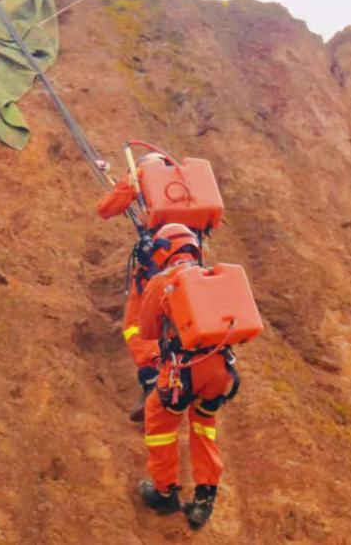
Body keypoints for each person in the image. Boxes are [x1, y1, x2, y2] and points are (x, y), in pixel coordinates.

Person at [134, 224, 239, 530]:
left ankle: (165, 492)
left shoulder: (162, 281)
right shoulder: (211, 276)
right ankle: (204, 500)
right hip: (219, 372)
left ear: (163, 250)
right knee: (204, 425)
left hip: (183, 372)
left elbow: (147, 332)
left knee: (160, 422)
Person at [96, 153, 177, 423]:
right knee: (176, 323)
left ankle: (155, 381)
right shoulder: (186, 188)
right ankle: (183, 377)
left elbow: (106, 208)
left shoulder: (143, 175)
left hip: (156, 263)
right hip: (190, 261)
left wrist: (129, 178)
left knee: (136, 325)